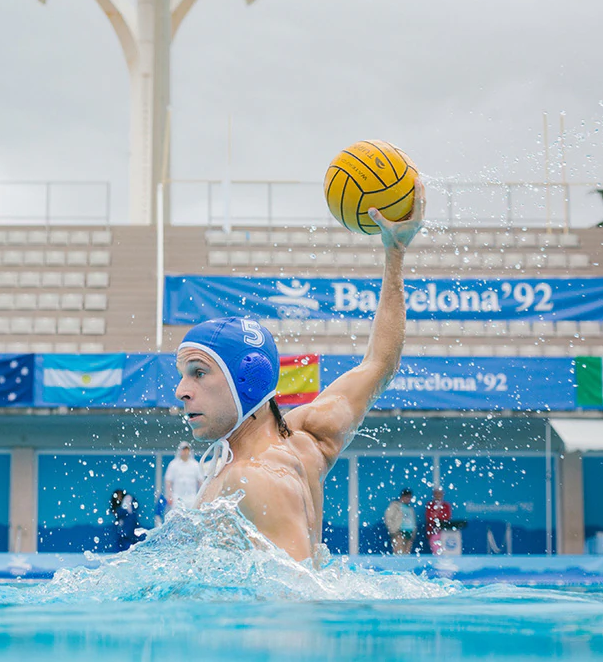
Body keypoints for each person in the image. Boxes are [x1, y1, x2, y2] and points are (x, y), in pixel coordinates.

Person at [175, 184, 425, 562]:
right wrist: (395, 252)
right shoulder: (307, 437)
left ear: (248, 379)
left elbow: (295, 600)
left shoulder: (252, 479)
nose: (181, 390)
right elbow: (379, 364)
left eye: (198, 373)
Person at [164, 441, 204, 511]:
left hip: (192, 497)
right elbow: (168, 481)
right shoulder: (173, 464)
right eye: (183, 450)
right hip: (177, 497)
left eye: (187, 450)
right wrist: (169, 496)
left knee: (192, 516)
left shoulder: (195, 465)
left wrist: (201, 498)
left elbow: (201, 482)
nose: (185, 452)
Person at [384, 488, 418, 555]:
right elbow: (388, 518)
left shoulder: (410, 508)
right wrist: (393, 530)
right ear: (402, 497)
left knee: (407, 553)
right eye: (407, 497)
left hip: (409, 533)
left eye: (410, 498)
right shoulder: (395, 506)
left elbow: (413, 521)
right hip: (399, 533)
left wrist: (413, 533)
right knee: (399, 552)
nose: (408, 499)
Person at [425, 486, 453, 553]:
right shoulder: (430, 504)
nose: (438, 495)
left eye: (439, 493)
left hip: (444, 531)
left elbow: (447, 517)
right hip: (433, 530)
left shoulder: (446, 505)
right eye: (436, 494)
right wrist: (439, 516)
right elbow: (429, 517)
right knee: (435, 549)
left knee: (445, 550)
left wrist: (436, 515)